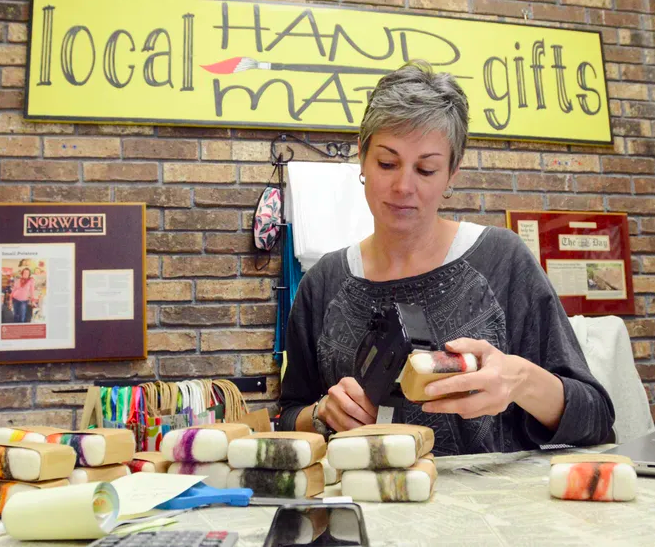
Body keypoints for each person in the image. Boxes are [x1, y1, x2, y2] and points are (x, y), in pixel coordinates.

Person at [278, 60, 615, 455]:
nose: (403, 186)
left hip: (492, 512)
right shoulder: (324, 283)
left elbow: (596, 418)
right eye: (387, 163)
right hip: (361, 510)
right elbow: (288, 416)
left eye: (427, 169)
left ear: (452, 173)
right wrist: (321, 413)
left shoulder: (501, 261)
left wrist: (521, 381)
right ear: (362, 159)